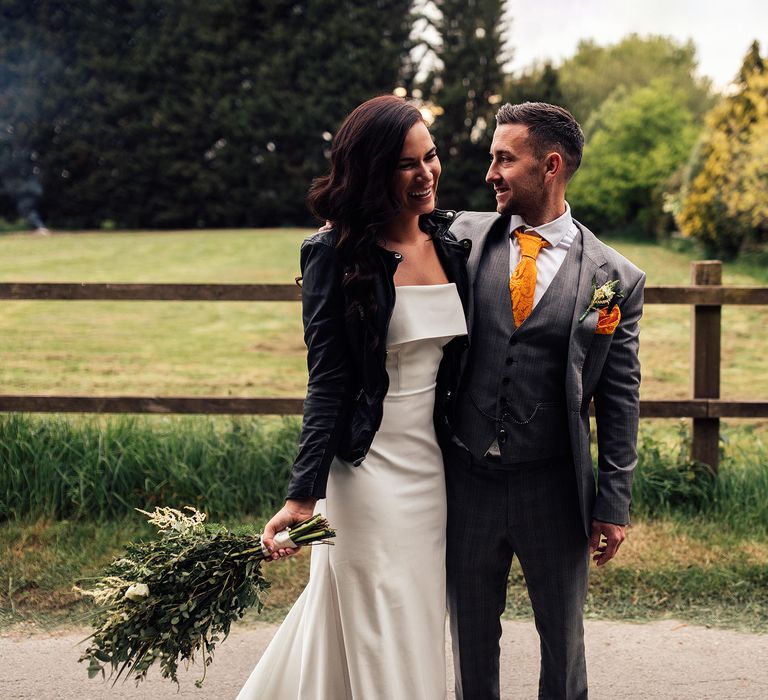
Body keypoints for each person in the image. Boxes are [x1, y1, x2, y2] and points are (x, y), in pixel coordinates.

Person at [237, 95, 470, 699]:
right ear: (371, 170)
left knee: (414, 619)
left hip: (434, 472)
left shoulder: (452, 245)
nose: (427, 175)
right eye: (406, 164)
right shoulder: (332, 254)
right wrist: (301, 496)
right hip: (362, 475)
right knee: (371, 626)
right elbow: (329, 382)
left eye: (431, 157)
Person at [443, 102, 645, 699]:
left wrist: (613, 501)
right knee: (471, 641)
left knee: (563, 641)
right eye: (491, 158)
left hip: (554, 487)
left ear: (550, 165)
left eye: (505, 159)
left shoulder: (615, 277)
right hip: (469, 478)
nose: (491, 173)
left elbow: (620, 398)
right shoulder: (462, 238)